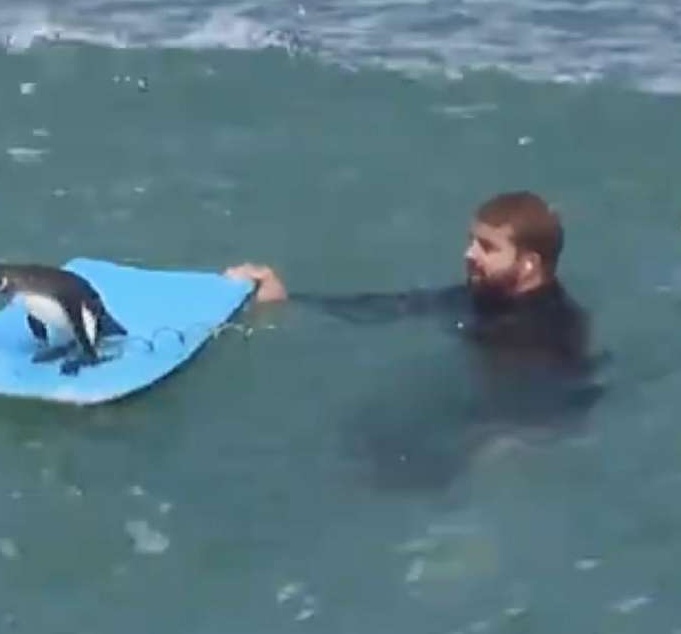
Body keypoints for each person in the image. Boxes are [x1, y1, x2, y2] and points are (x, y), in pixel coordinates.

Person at [224, 190, 607, 488]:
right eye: (471, 241)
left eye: (487, 247)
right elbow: (393, 307)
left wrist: (501, 448)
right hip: (474, 420)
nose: (468, 254)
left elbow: (558, 410)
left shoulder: (552, 329)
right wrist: (291, 299)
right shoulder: (484, 298)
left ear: (528, 264)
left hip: (513, 439)